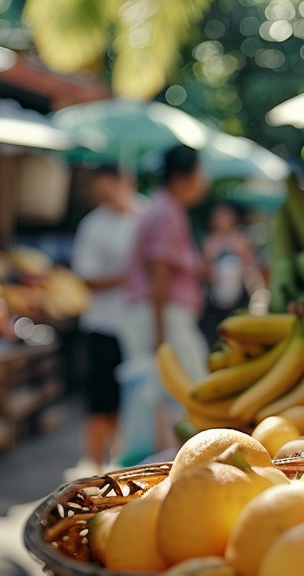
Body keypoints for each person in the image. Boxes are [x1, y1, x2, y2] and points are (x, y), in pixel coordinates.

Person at [122, 145, 210, 451]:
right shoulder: (166, 212)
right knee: (193, 391)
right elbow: (159, 274)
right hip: (165, 316)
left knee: (173, 396)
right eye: (200, 173)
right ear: (182, 177)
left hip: (163, 314)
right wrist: (159, 334)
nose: (203, 181)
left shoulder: (164, 208)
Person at [69, 166, 145, 473]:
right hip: (103, 324)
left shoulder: (145, 214)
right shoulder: (93, 225)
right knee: (101, 401)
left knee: (132, 399)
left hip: (136, 326)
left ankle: (120, 461)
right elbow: (85, 277)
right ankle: (95, 465)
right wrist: (126, 277)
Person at [200, 200, 262, 344]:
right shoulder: (210, 242)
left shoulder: (241, 241)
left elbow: (251, 267)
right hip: (215, 301)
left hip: (239, 298)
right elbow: (204, 269)